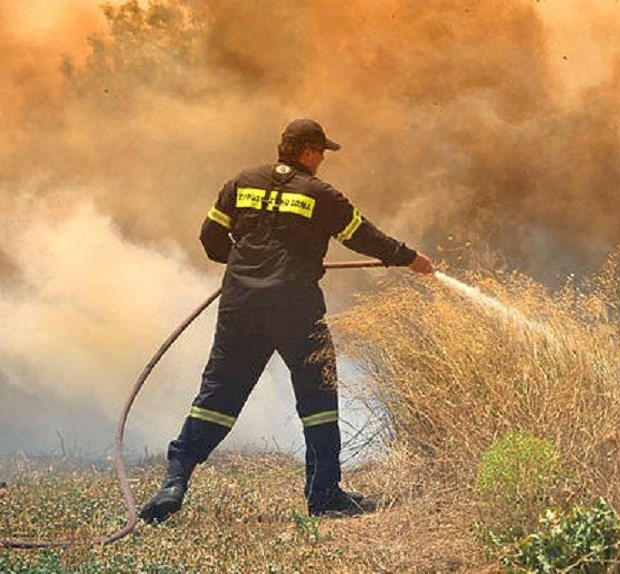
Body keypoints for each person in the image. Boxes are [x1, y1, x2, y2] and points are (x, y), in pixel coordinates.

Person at [139, 118, 434, 524]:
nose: (323, 160)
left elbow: (210, 239)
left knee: (218, 397)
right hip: (295, 308)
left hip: (241, 305)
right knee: (317, 398)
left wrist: (247, 265)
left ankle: (175, 481)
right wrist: (410, 258)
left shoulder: (241, 182)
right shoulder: (319, 193)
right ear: (310, 152)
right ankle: (324, 496)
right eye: (322, 153)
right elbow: (363, 237)